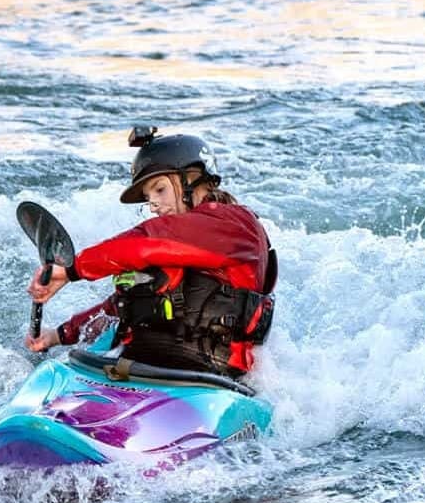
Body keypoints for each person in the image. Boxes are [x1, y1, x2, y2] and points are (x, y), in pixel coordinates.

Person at [24, 126, 277, 378]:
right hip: (144, 371)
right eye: (148, 197)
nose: (153, 205)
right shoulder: (181, 247)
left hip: (210, 379)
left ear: (192, 179)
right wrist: (58, 335)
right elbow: (117, 310)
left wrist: (72, 270)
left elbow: (145, 243)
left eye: (160, 189)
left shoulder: (234, 224)